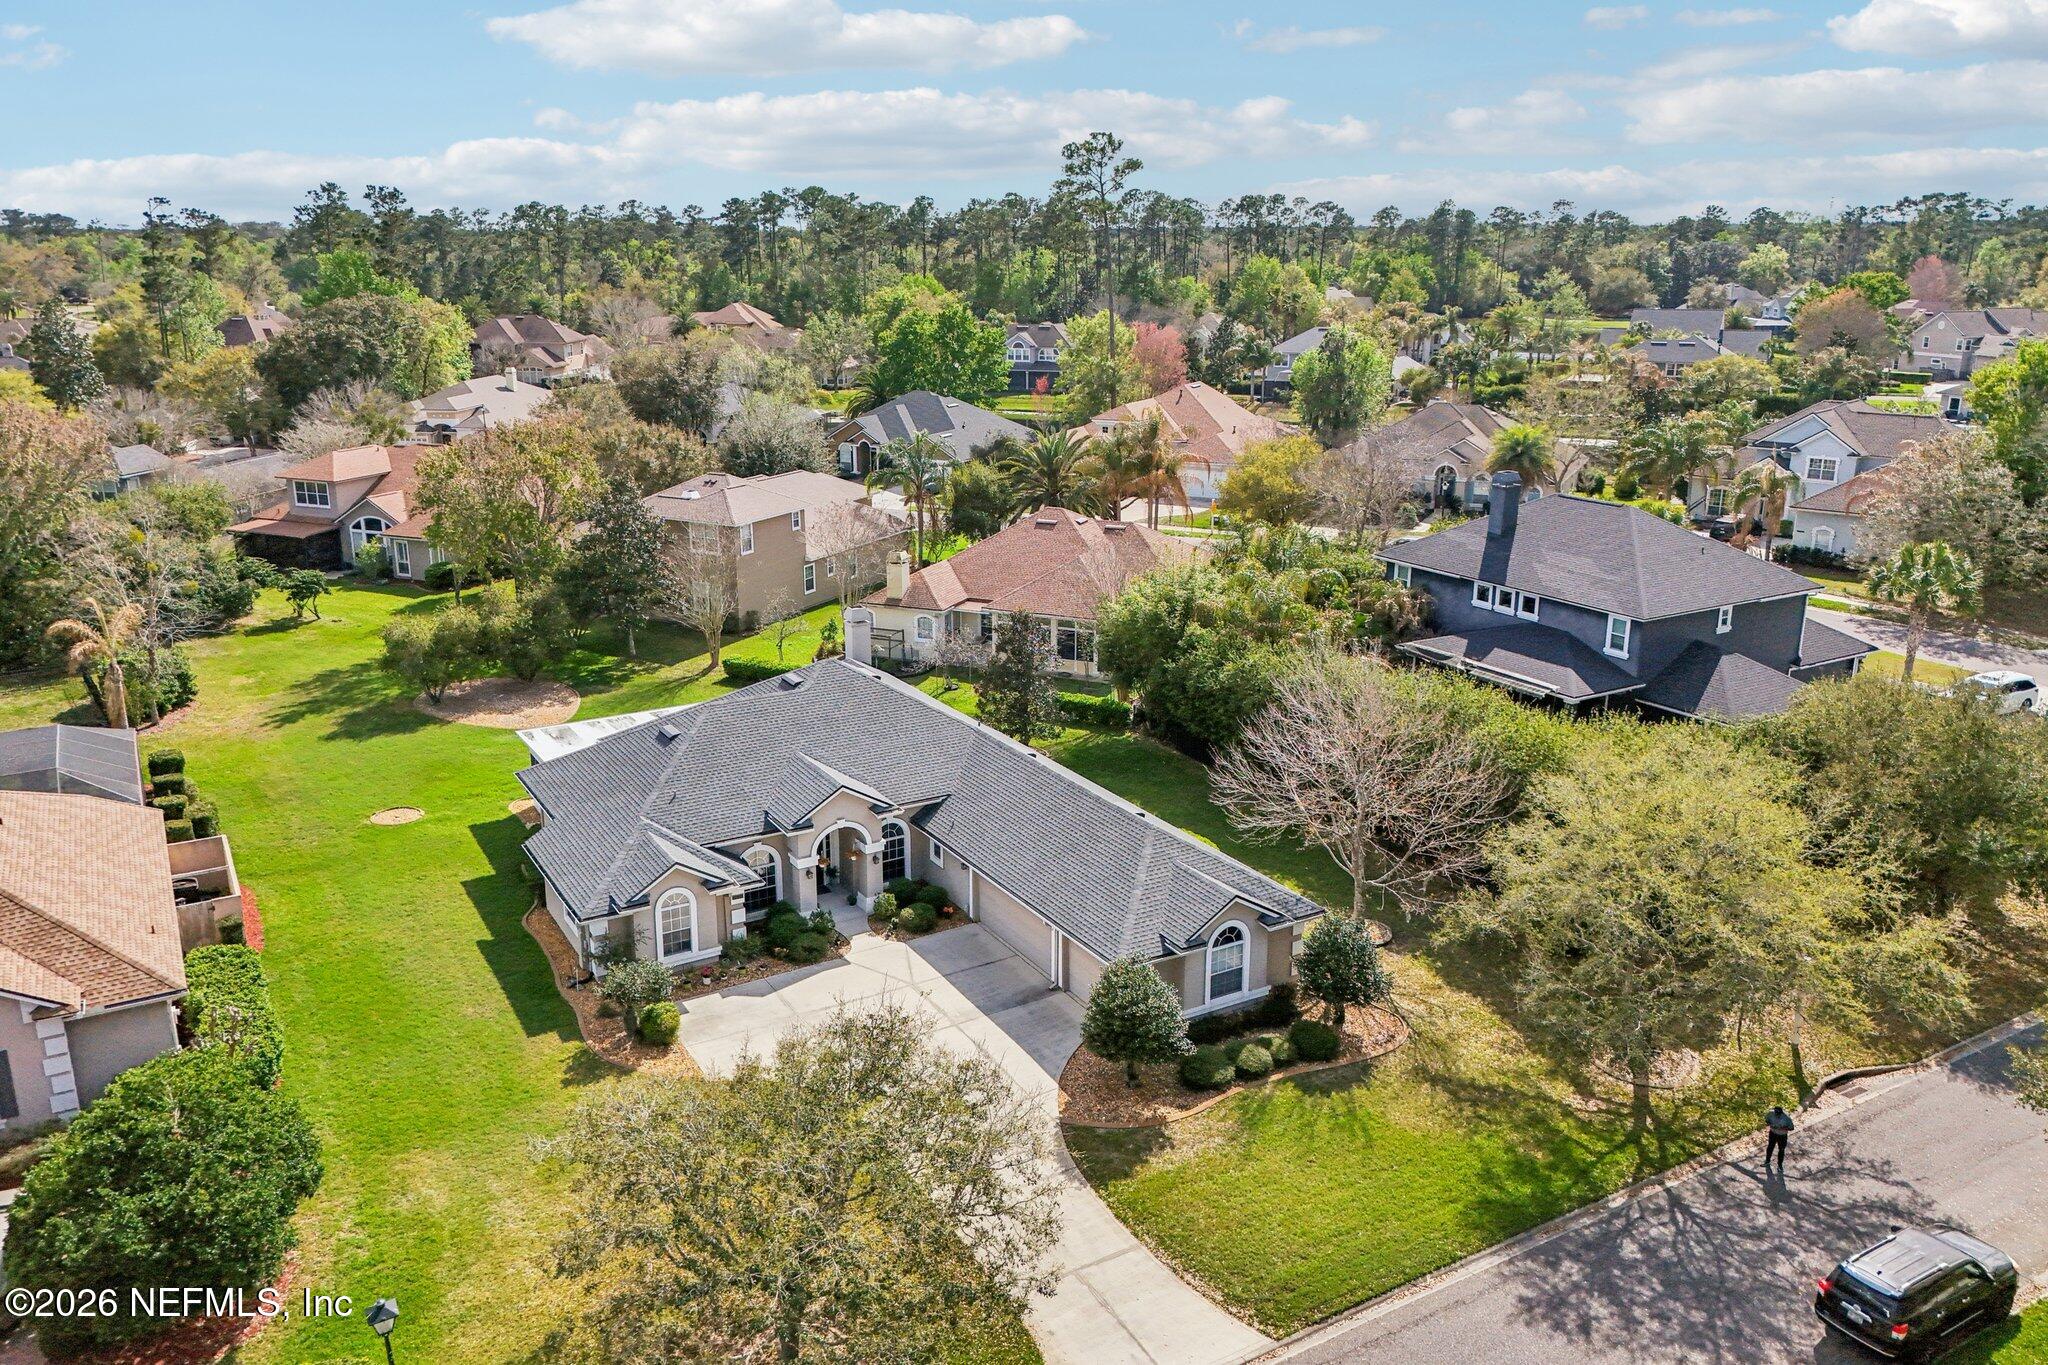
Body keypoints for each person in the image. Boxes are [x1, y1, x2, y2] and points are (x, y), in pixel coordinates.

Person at [1764, 1105, 1795, 1172]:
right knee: (1770, 1147)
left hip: (1782, 1136)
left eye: (1778, 1114)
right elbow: (1767, 1120)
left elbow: (1791, 1128)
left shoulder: (1786, 1118)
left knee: (1781, 1150)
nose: (1777, 1115)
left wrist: (1782, 1128)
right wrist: (1769, 1124)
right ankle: (1767, 1161)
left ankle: (1780, 1165)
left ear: (1782, 1113)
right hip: (1772, 1133)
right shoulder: (1770, 1113)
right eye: (1776, 1114)